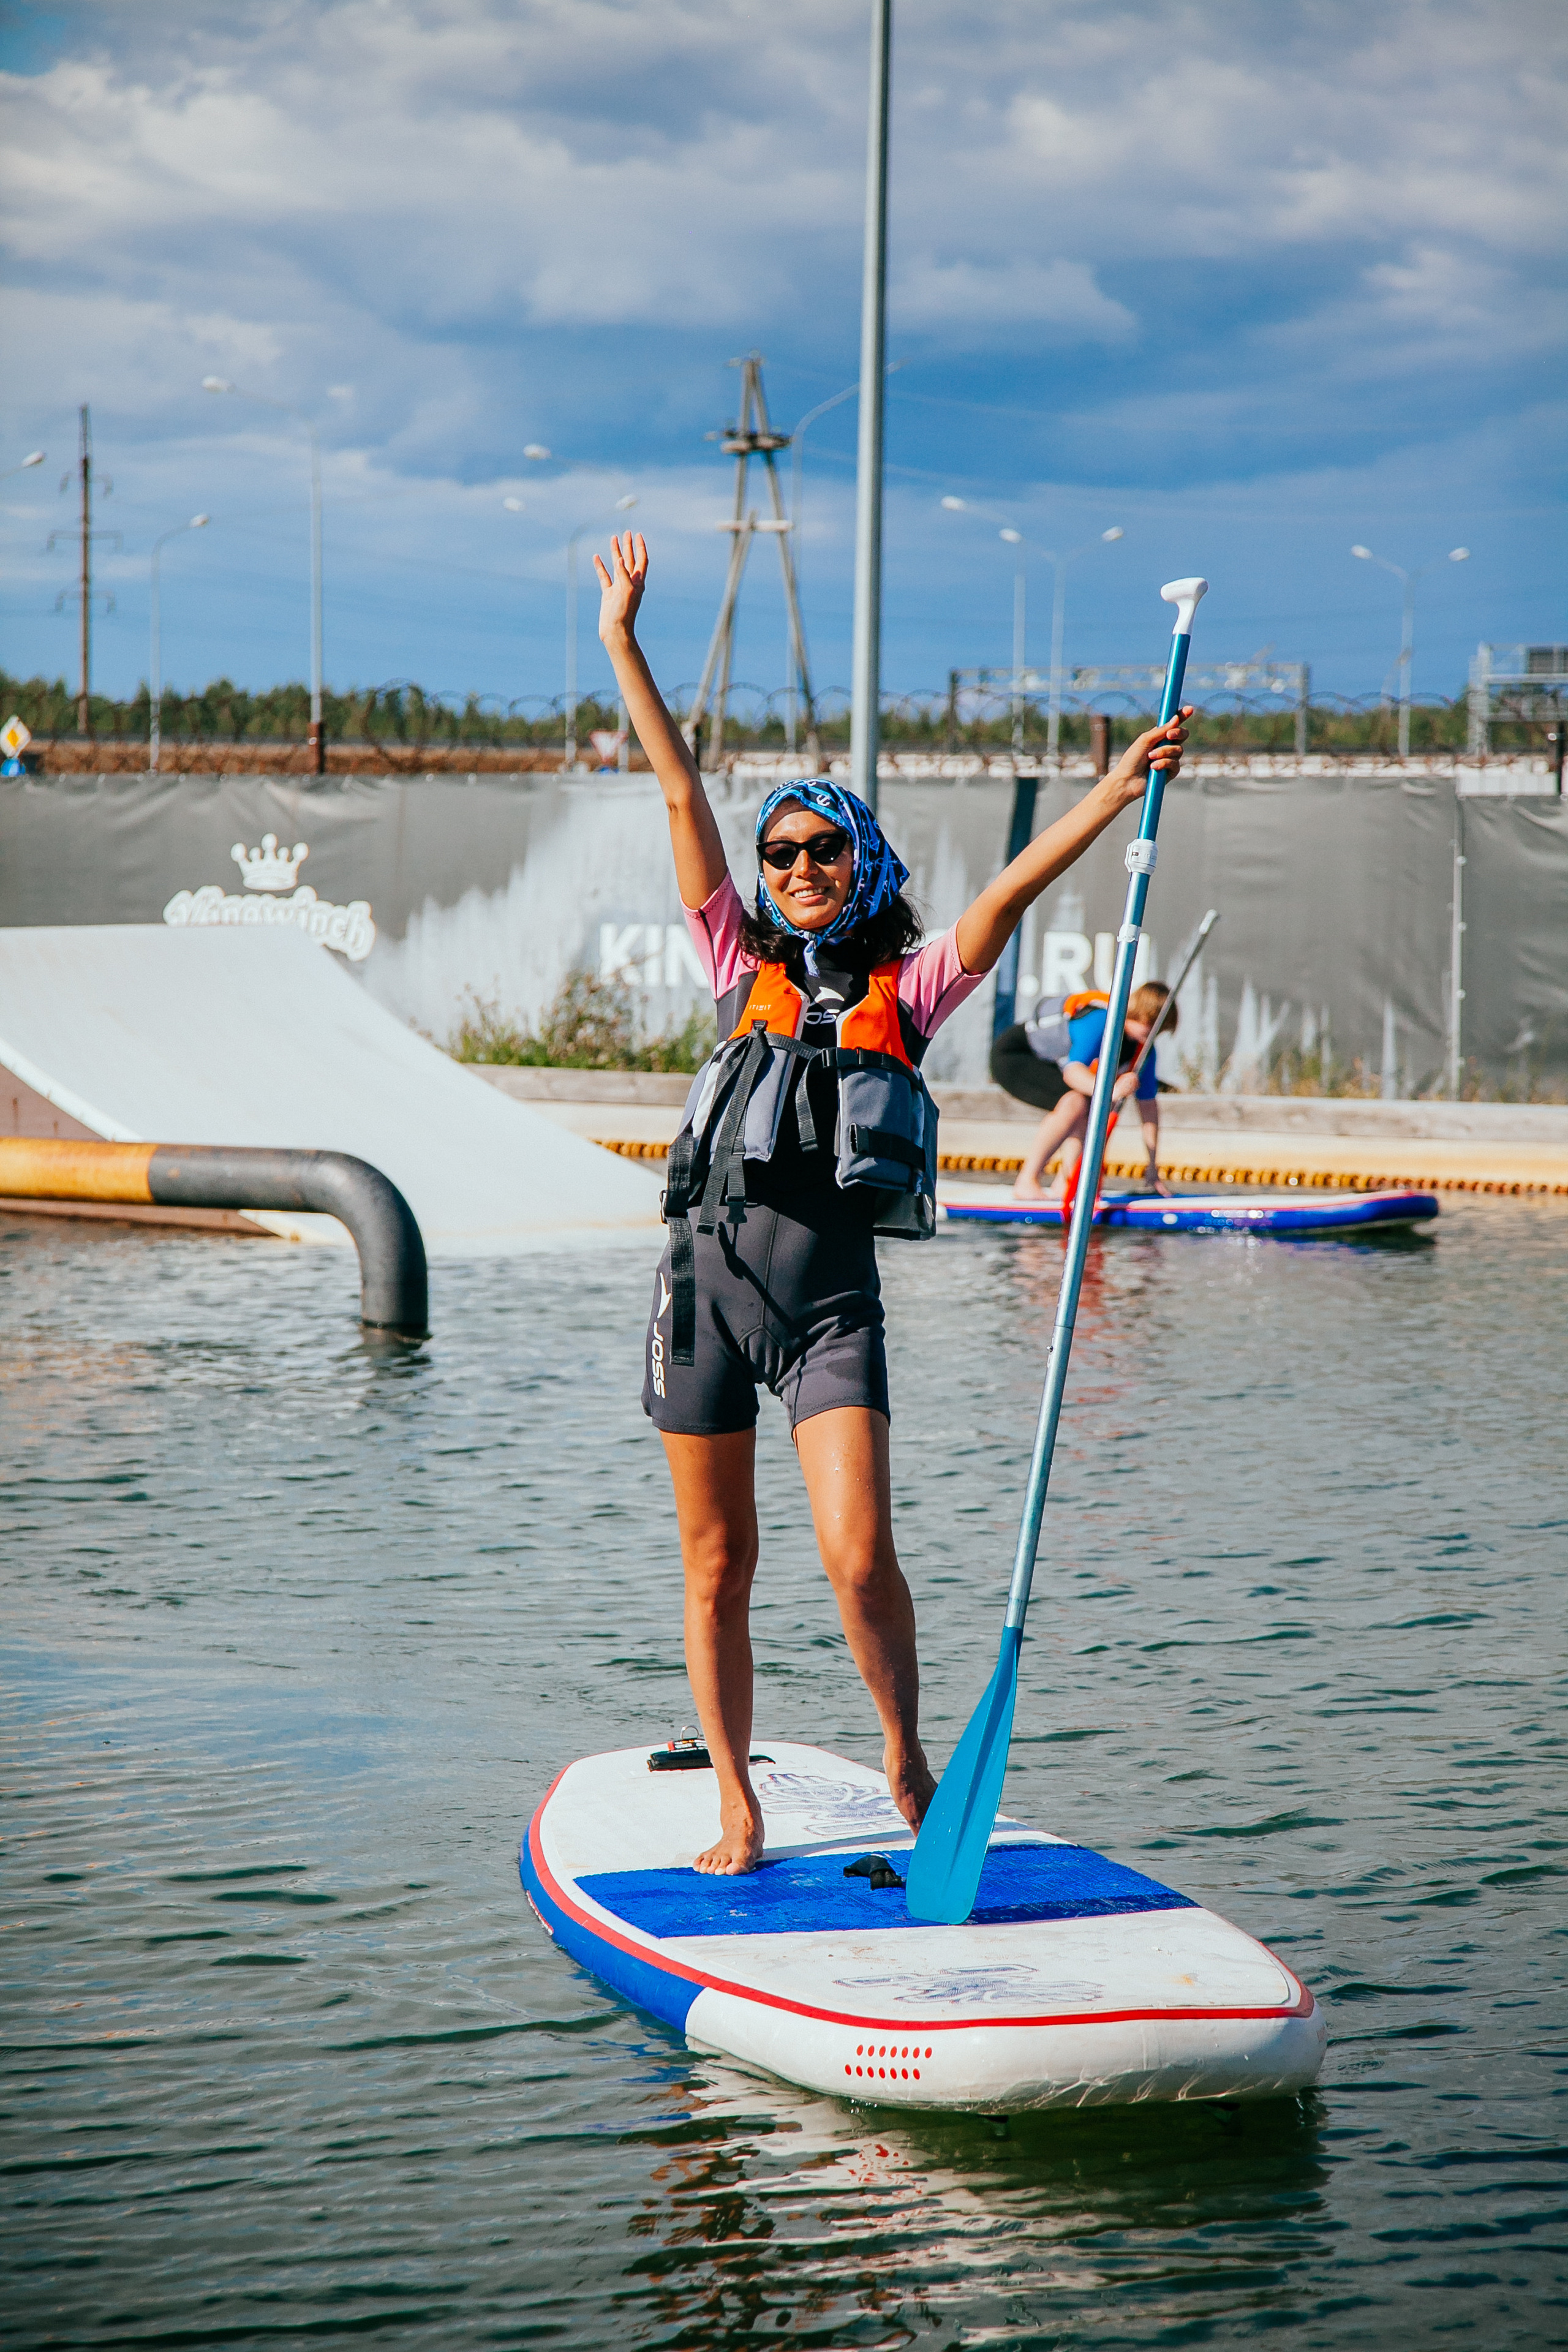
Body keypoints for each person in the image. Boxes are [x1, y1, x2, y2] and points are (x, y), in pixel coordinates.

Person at [595, 532, 1189, 1874]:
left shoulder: (909, 990)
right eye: (780, 852)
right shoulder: (728, 952)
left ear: (856, 859)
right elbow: (679, 791)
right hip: (698, 1297)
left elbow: (1006, 892)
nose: (796, 867)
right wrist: (622, 642)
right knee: (715, 1568)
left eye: (819, 850)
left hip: (828, 1313)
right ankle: (735, 1803)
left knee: (858, 1560)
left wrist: (1112, 786)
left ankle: (906, 1754)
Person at [1003, 980, 1178, 1202]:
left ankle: (1065, 1185)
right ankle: (1027, 1181)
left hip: (1051, 1064)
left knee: (1090, 1105)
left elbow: (1149, 1109)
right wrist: (1112, 1091)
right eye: (1153, 1026)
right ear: (1140, 1015)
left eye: (1160, 1030)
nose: (1156, 1034)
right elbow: (1073, 1072)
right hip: (1016, 1056)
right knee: (1075, 1102)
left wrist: (1153, 1167)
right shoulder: (1102, 1021)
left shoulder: (1144, 1051)